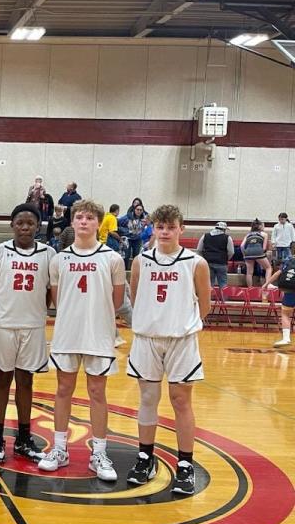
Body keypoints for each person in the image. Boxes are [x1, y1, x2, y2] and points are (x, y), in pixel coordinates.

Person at [125, 205, 211, 496]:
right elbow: (136, 296)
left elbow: (205, 303)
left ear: (180, 229)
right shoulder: (141, 260)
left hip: (181, 340)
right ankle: (145, 458)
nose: (164, 232)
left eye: (170, 227)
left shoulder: (195, 262)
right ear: (153, 228)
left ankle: (185, 465)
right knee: (148, 397)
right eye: (160, 227)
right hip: (148, 337)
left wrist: (182, 323)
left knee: (181, 401)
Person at [38, 200, 125, 481]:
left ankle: (99, 453)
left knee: (97, 393)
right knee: (63, 389)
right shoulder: (59, 259)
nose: (84, 221)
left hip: (98, 334)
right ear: (72, 222)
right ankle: (60, 449)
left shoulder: (112, 258)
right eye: (79, 217)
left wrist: (98, 318)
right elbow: (55, 299)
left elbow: (118, 300)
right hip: (67, 333)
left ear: (98, 223)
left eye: (89, 217)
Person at [0, 204, 54, 463]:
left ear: (38, 226)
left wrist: (35, 315)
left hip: (33, 326)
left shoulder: (49, 253)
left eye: (30, 223)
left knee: (26, 381)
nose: (25, 227)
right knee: (2, 380)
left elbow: (48, 292)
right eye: (20, 223)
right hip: (4, 325)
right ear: (12, 225)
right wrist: (2, 315)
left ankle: (24, 438)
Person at [264, 257, 295, 347]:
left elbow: (278, 273)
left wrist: (266, 284)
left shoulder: (290, 260)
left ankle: (286, 339)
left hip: (289, 289)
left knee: (285, 314)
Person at [196, 221, 234, 289]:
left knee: (209, 284)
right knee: (223, 285)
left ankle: (208, 299)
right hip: (222, 263)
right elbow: (231, 252)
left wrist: (203, 259)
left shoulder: (205, 236)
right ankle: (223, 299)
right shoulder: (227, 238)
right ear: (224, 229)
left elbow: (199, 250)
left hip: (208, 262)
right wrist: (226, 259)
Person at [242, 219, 272, 287]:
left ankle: (250, 288)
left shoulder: (248, 235)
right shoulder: (264, 234)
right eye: (263, 225)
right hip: (258, 251)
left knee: (249, 273)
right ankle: (267, 285)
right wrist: (263, 255)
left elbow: (242, 246)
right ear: (260, 226)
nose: (264, 227)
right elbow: (264, 248)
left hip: (247, 252)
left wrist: (245, 254)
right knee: (268, 268)